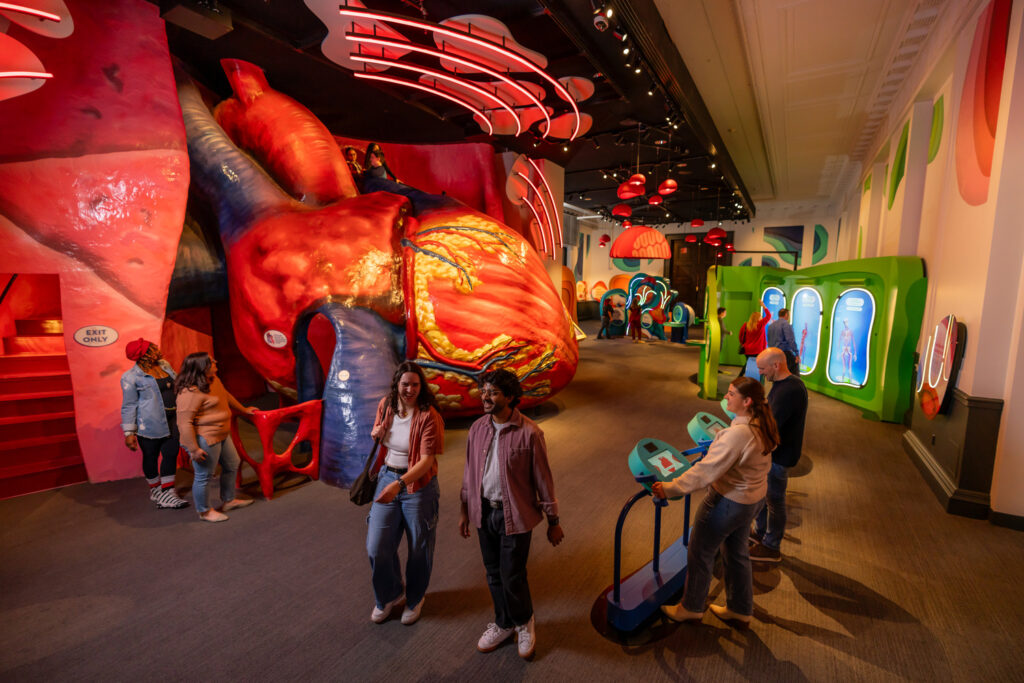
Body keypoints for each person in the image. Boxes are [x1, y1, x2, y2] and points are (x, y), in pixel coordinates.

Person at [653, 376, 778, 627]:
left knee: (700, 552)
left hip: (728, 502)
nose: (726, 397)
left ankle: (691, 608)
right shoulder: (761, 424)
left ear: (747, 401)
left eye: (731, 394)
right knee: (736, 552)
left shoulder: (738, 434)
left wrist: (670, 488)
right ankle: (741, 609)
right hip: (751, 500)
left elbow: (705, 472)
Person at [459, 369, 563, 660]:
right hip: (484, 513)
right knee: (493, 574)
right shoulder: (477, 428)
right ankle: (504, 622)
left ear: (509, 396)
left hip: (515, 517)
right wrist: (465, 510)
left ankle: (524, 620)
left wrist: (553, 521)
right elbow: (469, 473)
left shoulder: (530, 433)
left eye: (492, 392)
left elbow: (544, 480)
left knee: (511, 575)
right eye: (484, 391)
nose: (485, 397)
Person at [366, 361, 445, 625]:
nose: (409, 389)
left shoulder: (428, 415)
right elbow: (377, 432)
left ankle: (414, 599)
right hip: (387, 475)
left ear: (421, 387)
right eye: (405, 384)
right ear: (396, 385)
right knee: (377, 547)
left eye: (414, 384)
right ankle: (388, 595)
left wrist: (400, 485)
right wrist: (375, 432)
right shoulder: (386, 405)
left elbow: (425, 461)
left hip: (418, 485)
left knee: (419, 547)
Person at [175, 352, 255, 523]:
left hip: (222, 433)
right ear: (202, 367)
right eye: (211, 361)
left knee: (232, 463)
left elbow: (225, 396)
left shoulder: (213, 380)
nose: (215, 361)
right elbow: (184, 423)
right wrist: (194, 449)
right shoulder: (189, 392)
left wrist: (243, 409)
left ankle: (228, 500)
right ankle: (204, 511)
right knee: (204, 475)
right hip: (205, 438)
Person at [750, 348, 808, 563]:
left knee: (775, 500)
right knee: (766, 498)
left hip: (779, 457)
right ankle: (761, 533)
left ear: (776, 365)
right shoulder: (784, 385)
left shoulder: (789, 390)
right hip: (775, 455)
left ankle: (771, 546)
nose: (761, 373)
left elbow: (772, 426)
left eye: (763, 368)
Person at [120, 338, 189, 509]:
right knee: (150, 456)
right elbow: (129, 405)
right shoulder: (130, 377)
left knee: (171, 453)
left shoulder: (164, 365)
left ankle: (167, 492)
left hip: (172, 419)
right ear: (144, 355)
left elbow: (176, 384)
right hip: (149, 424)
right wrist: (129, 432)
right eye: (153, 348)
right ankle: (155, 489)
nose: (157, 349)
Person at [737, 302, 771, 377]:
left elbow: (740, 336)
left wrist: (744, 344)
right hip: (757, 350)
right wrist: (764, 306)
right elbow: (769, 316)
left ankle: (741, 377)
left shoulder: (745, 325)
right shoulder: (760, 324)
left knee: (748, 364)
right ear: (758, 318)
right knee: (756, 365)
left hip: (747, 349)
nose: (761, 317)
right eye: (761, 316)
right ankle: (751, 379)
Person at [766, 308, 800, 375]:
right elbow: (790, 340)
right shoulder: (786, 325)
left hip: (773, 353)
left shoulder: (771, 326)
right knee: (793, 373)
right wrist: (796, 353)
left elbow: (769, 340)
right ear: (786, 315)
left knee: (778, 372)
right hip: (784, 353)